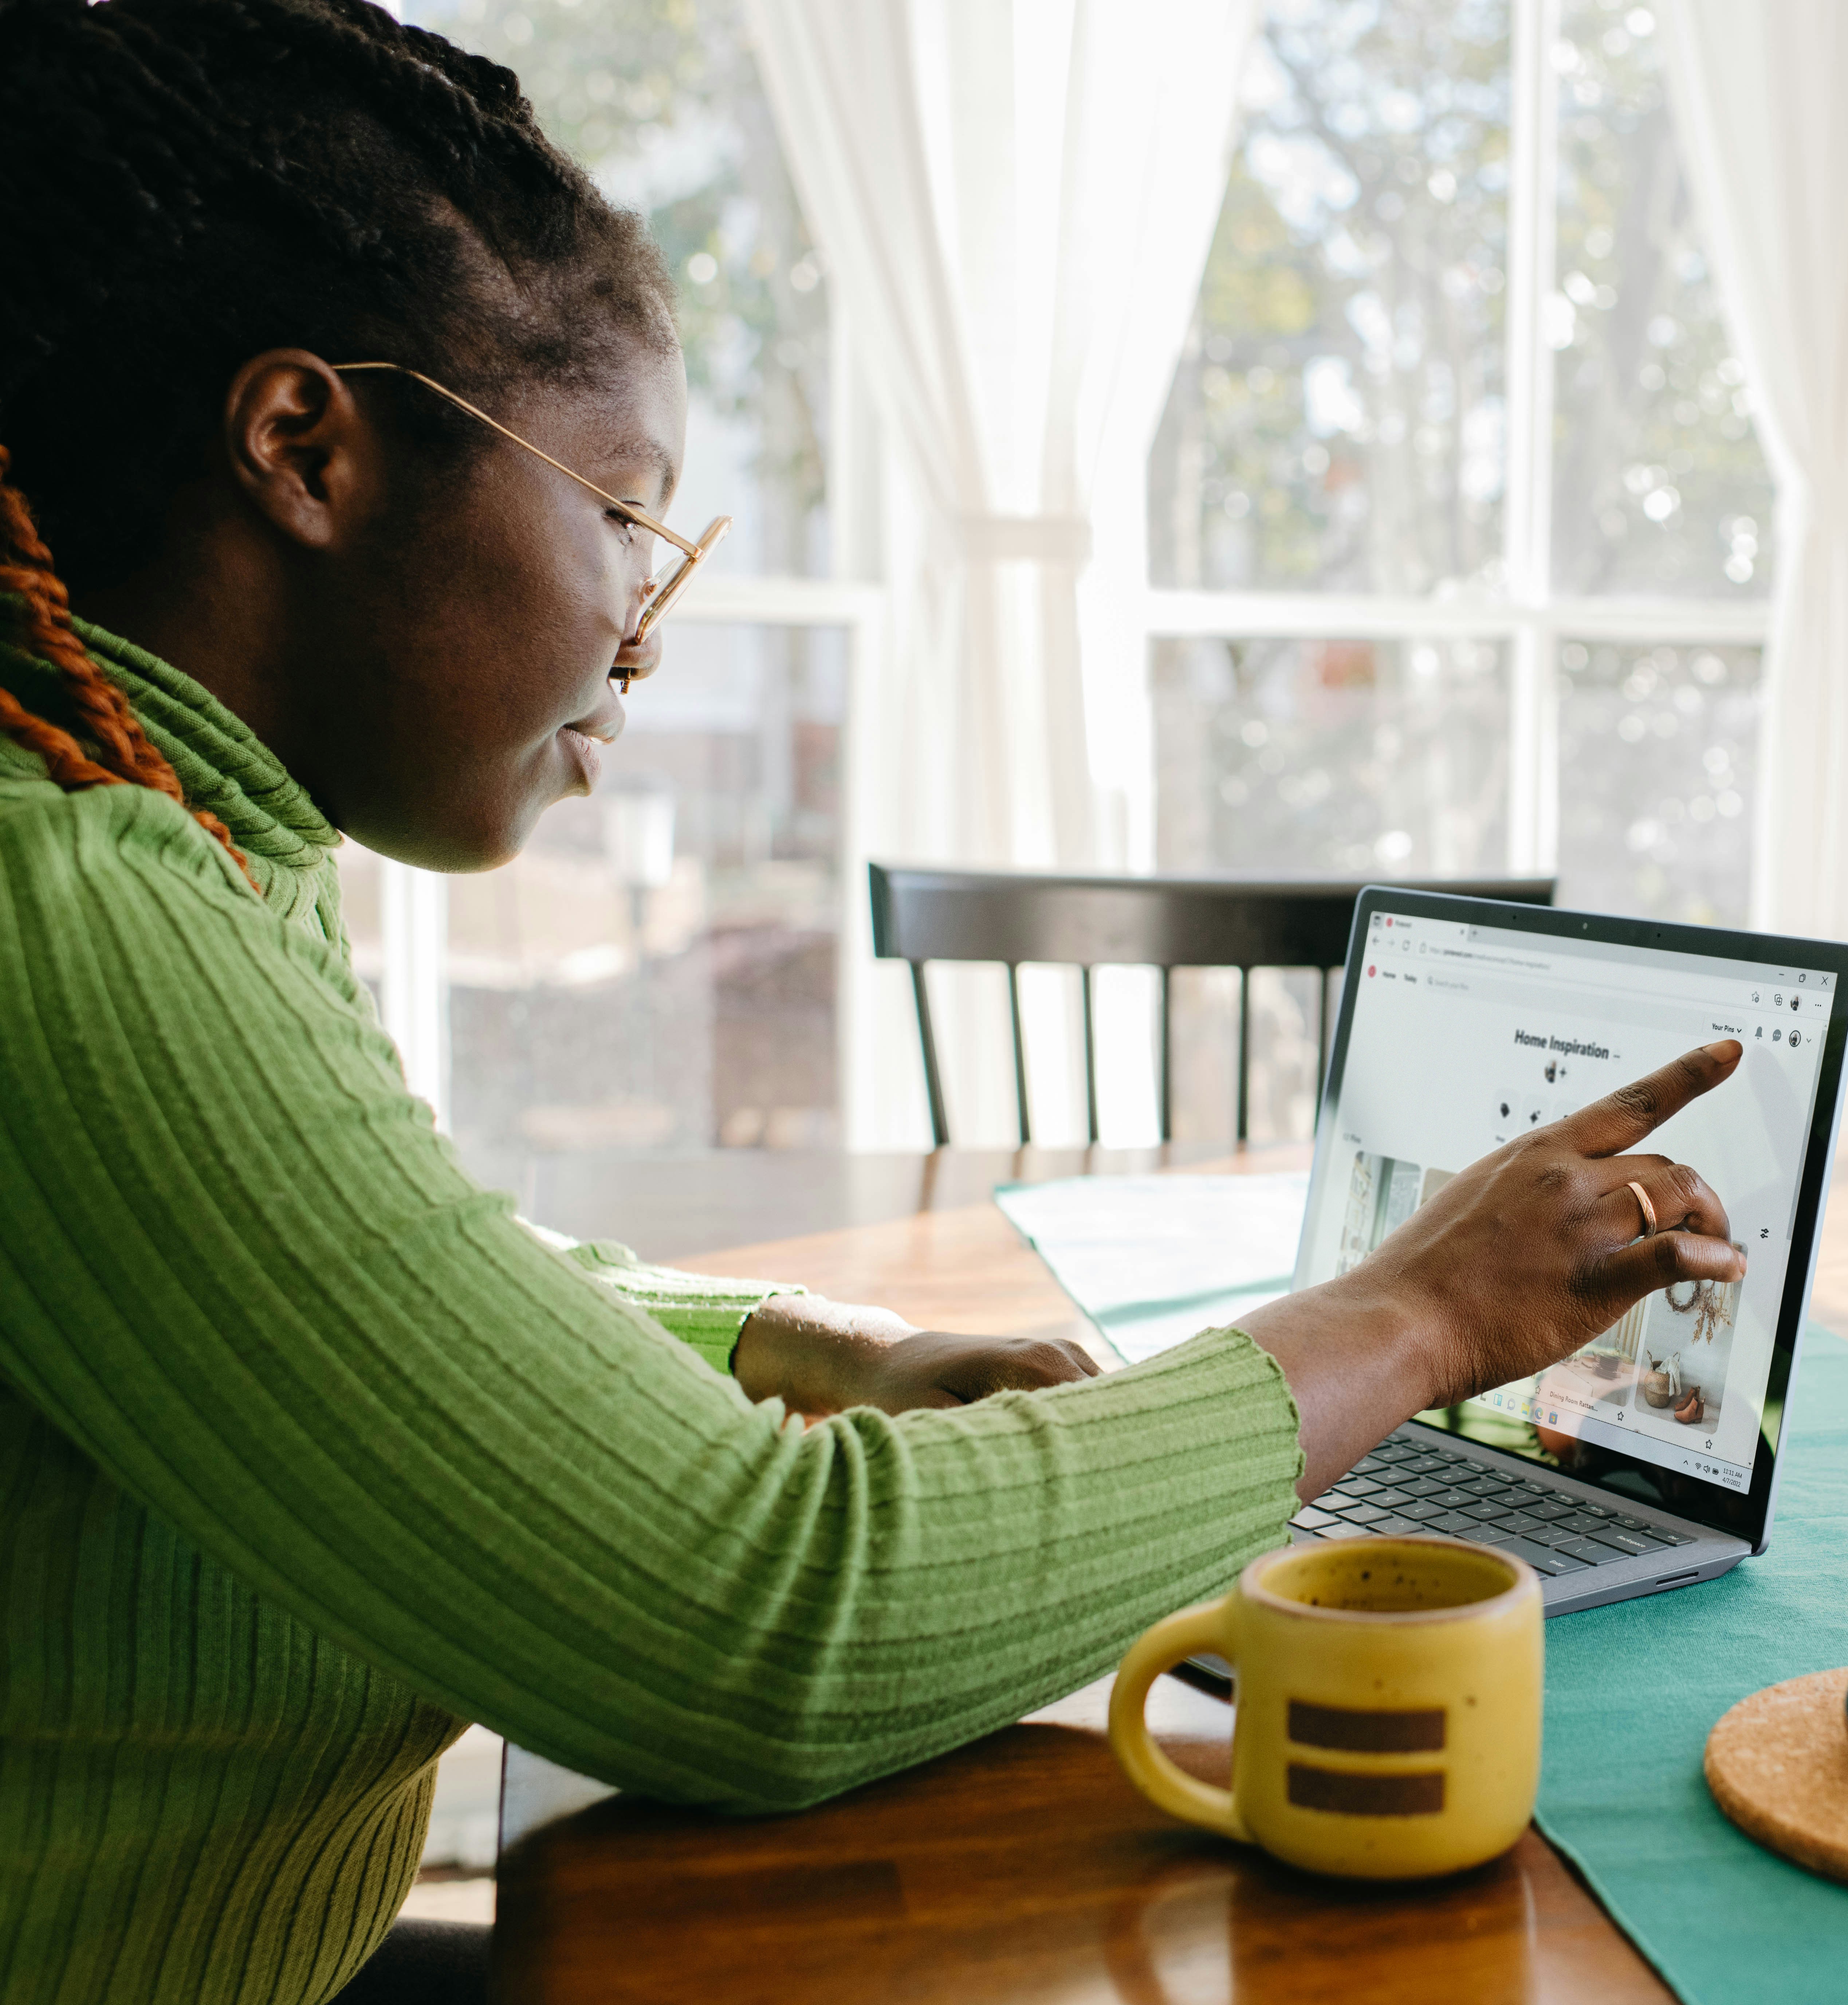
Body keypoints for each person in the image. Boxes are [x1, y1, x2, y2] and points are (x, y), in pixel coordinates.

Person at [0, 5, 1747, 2001]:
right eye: (625, 518)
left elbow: (382, 1282)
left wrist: (791, 1339)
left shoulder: (173, 820)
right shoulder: (72, 917)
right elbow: (763, 1625)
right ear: (306, 448)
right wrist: (1419, 1312)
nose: (648, 640)